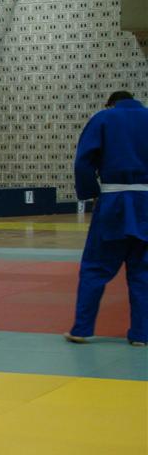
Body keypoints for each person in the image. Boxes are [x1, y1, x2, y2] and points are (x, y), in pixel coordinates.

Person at [65, 91, 148, 347]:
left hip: (113, 202)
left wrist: (91, 193)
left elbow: (83, 162)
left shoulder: (103, 118)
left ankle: (82, 329)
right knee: (143, 272)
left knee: (95, 268)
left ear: (111, 104)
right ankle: (141, 335)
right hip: (146, 204)